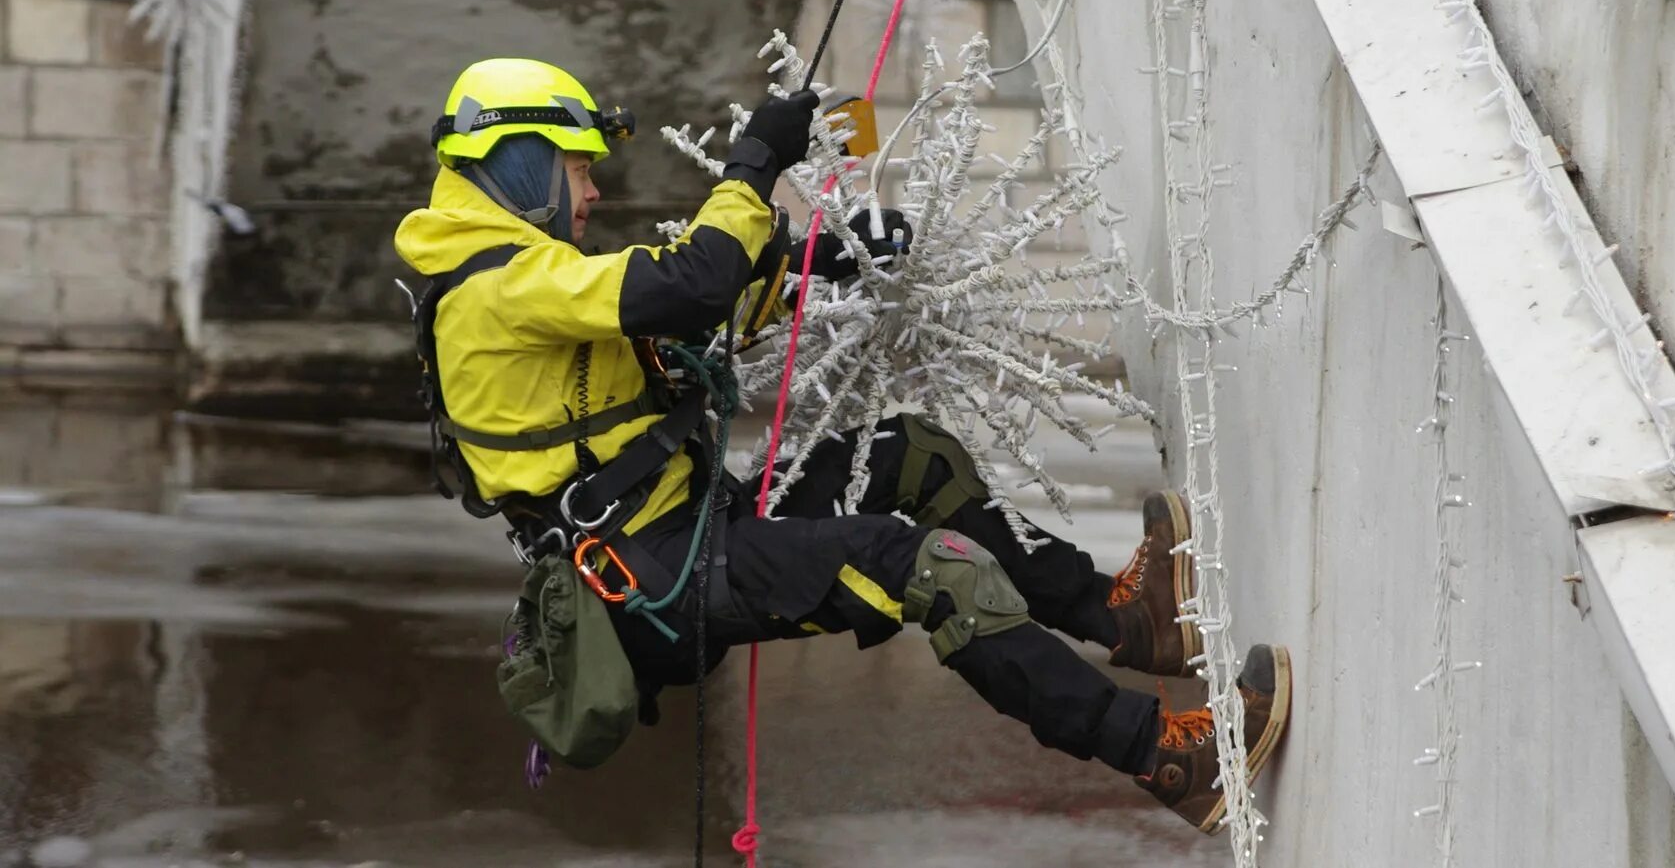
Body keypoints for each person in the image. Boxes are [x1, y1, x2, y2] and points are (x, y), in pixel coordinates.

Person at [393, 57, 1291, 834]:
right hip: (654, 578)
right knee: (926, 567)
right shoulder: (493, 286)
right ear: (517, 162)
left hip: (687, 527)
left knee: (913, 456)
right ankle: (1161, 753)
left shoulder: (520, 274)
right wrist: (753, 162)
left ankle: (1124, 617)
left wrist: (825, 258)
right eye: (575, 168)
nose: (592, 192)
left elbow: (680, 326)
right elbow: (688, 285)